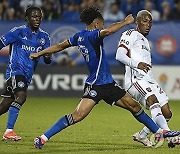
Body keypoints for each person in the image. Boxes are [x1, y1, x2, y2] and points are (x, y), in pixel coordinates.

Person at [30, 7, 180, 149]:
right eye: (101, 23)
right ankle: (43, 137)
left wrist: (40, 53)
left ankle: (161, 132)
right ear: (96, 24)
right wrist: (125, 22)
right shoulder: (92, 35)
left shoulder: (79, 36)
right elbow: (107, 31)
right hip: (96, 85)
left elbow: (59, 46)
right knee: (77, 115)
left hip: (109, 84)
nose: (103, 26)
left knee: (134, 106)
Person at [115, 10, 179, 148]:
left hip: (149, 80)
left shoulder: (144, 40)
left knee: (167, 112)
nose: (148, 24)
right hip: (135, 80)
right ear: (137, 22)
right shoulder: (130, 34)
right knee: (152, 101)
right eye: (144, 21)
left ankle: (142, 135)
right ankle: (168, 135)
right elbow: (119, 55)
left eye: (150, 22)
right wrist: (136, 64)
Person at [0, 6, 51, 141]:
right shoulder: (17, 32)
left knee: (5, 105)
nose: (37, 19)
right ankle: (9, 131)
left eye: (39, 17)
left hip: (27, 76)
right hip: (15, 71)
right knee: (21, 97)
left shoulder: (44, 37)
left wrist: (47, 57)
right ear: (27, 18)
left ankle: (8, 130)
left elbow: (48, 60)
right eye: (34, 17)